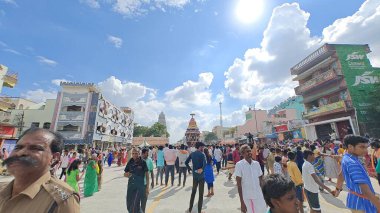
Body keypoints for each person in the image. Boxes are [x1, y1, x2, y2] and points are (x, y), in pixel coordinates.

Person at [0, 128, 80, 212]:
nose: (21, 153)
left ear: (54, 157)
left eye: (35, 148)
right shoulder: (2, 188)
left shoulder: (62, 200)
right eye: (18, 147)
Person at [339, 135, 380, 212]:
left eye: (366, 147)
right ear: (350, 147)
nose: (365, 150)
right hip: (361, 204)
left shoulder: (347, 157)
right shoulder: (352, 163)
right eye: (362, 147)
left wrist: (337, 189)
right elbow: (365, 190)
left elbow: (341, 174)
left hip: (355, 201)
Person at [235, 144, 267, 213]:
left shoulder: (256, 164)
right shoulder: (239, 165)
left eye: (250, 151)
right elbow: (239, 185)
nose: (249, 153)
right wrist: (242, 202)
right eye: (247, 151)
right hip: (247, 197)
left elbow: (261, 180)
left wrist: (265, 194)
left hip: (259, 195)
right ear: (242, 154)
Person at [124, 148, 149, 213]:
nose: (134, 155)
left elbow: (147, 175)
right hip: (131, 185)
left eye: (136, 153)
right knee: (129, 203)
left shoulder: (143, 162)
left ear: (139, 153)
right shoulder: (130, 161)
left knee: (135, 203)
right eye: (133, 153)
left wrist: (147, 187)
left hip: (139, 186)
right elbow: (125, 173)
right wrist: (126, 174)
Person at [185, 142, 206, 213]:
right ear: (199, 147)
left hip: (195, 175)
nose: (203, 148)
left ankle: (190, 209)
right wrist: (202, 169)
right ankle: (199, 211)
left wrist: (190, 169)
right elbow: (205, 164)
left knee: (193, 192)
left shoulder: (192, 154)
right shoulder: (202, 154)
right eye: (202, 147)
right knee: (201, 194)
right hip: (201, 176)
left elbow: (186, 162)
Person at [141, 148, 154, 212]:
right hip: (139, 183)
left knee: (144, 200)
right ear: (143, 154)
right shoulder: (139, 160)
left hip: (146, 183)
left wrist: (153, 181)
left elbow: (151, 171)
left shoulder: (150, 160)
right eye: (147, 153)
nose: (148, 154)